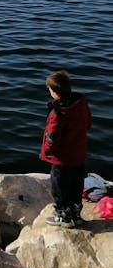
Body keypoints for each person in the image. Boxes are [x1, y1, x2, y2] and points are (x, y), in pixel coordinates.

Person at [40, 69, 92, 227]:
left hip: (61, 158)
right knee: (76, 184)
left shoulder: (58, 113)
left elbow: (52, 137)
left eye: (49, 90)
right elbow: (88, 122)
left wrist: (47, 151)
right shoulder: (81, 104)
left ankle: (63, 216)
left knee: (59, 187)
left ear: (55, 93)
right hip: (78, 153)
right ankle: (76, 214)